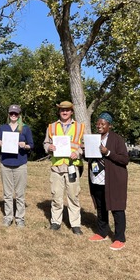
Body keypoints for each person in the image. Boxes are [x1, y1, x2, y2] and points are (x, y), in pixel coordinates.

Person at [87, 112, 129, 251]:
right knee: (101, 207)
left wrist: (108, 152)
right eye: (98, 123)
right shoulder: (93, 139)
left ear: (109, 126)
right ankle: (102, 232)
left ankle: (119, 238)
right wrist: (84, 151)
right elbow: (90, 158)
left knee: (117, 208)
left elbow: (124, 159)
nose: (99, 126)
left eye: (103, 124)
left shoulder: (117, 140)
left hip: (113, 179)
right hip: (97, 178)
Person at [43, 100, 85, 234]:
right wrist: (49, 147)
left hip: (72, 166)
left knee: (73, 196)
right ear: (59, 111)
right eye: (62, 110)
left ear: (71, 111)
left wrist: (77, 153)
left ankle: (75, 224)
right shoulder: (52, 127)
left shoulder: (80, 127)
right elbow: (45, 143)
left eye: (67, 110)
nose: (64, 112)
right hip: (57, 167)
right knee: (56, 196)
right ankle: (56, 222)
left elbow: (84, 145)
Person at [0, 105, 34, 227]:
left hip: (20, 163)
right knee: (7, 193)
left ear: (19, 115)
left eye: (16, 113)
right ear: (8, 114)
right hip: (6, 162)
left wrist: (25, 145)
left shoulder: (25, 128)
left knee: (20, 193)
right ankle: (8, 217)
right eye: (11, 113)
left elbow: (31, 145)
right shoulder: (2, 128)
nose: (13, 115)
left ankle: (20, 218)